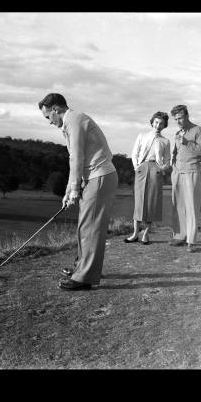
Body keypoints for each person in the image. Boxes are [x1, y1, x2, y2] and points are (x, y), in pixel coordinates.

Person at [38, 93, 118, 291]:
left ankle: (85, 277)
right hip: (94, 177)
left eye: (48, 117)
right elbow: (75, 160)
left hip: (99, 176)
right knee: (86, 226)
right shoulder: (72, 121)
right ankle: (83, 267)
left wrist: (74, 188)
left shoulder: (74, 120)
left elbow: (77, 157)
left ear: (56, 109)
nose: (49, 122)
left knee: (90, 227)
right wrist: (69, 191)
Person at [124, 112, 171, 245]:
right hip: (141, 168)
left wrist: (161, 169)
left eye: (161, 123)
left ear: (164, 125)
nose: (158, 125)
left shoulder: (165, 141)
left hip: (156, 169)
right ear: (152, 122)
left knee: (152, 201)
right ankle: (134, 234)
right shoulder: (142, 136)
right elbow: (134, 153)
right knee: (139, 201)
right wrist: (136, 167)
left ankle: (146, 233)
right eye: (156, 122)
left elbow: (168, 161)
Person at [169, 105, 201, 253]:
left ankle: (191, 241)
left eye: (180, 118)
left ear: (187, 116)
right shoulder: (177, 133)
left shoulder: (198, 130)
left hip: (192, 170)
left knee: (191, 206)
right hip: (177, 172)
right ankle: (179, 236)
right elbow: (176, 151)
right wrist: (172, 163)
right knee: (177, 205)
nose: (178, 121)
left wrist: (187, 142)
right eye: (176, 119)